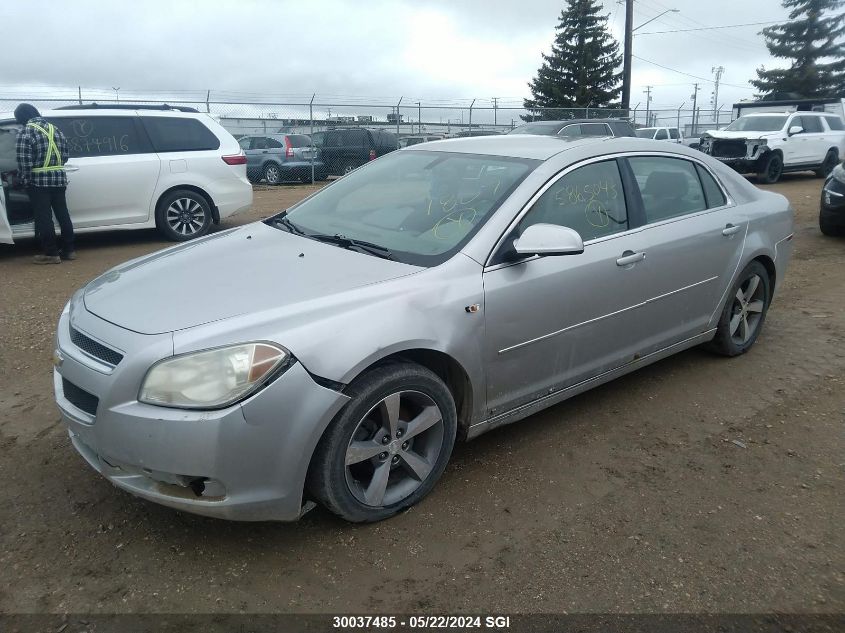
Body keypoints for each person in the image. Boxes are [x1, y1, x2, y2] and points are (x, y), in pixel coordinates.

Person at [15, 103, 76, 264]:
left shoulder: (25, 132)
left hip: (39, 182)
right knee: (63, 214)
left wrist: (23, 181)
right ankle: (69, 251)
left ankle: (51, 254)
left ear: (21, 118)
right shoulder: (55, 129)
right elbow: (66, 155)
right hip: (59, 179)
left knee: (44, 218)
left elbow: (24, 162)